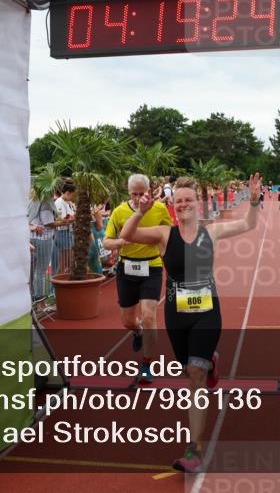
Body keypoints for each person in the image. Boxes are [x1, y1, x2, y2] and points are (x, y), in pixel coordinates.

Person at [121, 173, 262, 473]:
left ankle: (195, 449)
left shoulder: (211, 233)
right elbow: (129, 235)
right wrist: (140, 212)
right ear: (173, 205)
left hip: (207, 313)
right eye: (178, 200)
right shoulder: (163, 234)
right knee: (191, 366)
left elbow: (249, 224)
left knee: (194, 377)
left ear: (198, 203)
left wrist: (253, 200)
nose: (183, 204)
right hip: (176, 314)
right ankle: (211, 363)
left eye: (189, 200)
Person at [103, 174, 173, 384]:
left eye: (141, 193)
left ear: (149, 190)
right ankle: (138, 332)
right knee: (127, 321)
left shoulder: (160, 209)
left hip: (151, 267)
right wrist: (119, 243)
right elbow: (106, 242)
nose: (137, 198)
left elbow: (169, 235)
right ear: (128, 191)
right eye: (134, 194)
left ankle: (146, 364)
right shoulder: (119, 211)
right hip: (126, 268)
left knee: (150, 315)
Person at [28, 187, 60, 300]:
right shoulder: (45, 202)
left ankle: (32, 297)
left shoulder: (32, 200)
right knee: (40, 270)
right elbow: (48, 222)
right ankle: (40, 299)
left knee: (33, 270)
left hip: (31, 237)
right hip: (43, 238)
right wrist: (64, 222)